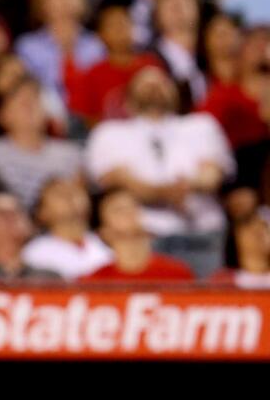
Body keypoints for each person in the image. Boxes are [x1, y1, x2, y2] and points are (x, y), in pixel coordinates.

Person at [85, 66, 234, 276]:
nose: (154, 87)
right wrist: (170, 191)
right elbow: (116, 180)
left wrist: (188, 185)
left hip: (203, 234)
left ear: (175, 92)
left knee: (209, 304)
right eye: (145, 84)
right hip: (144, 239)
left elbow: (214, 174)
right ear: (127, 98)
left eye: (162, 82)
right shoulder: (109, 132)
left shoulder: (202, 125)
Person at [0, 75, 82, 211]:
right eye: (20, 101)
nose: (29, 106)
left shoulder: (70, 154)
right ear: (2, 116)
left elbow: (79, 205)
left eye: (35, 99)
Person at [65, 1, 161, 126]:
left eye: (124, 23)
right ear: (101, 35)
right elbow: (85, 118)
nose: (120, 29)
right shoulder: (93, 74)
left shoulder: (151, 65)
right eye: (113, 25)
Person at [84, 188, 196, 281]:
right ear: (104, 232)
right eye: (119, 210)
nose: (130, 213)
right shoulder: (95, 282)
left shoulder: (177, 273)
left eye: (134, 206)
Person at [21, 178, 114, 278]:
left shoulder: (108, 244)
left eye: (75, 191)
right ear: (42, 213)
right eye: (60, 194)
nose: (70, 197)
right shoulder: (34, 252)